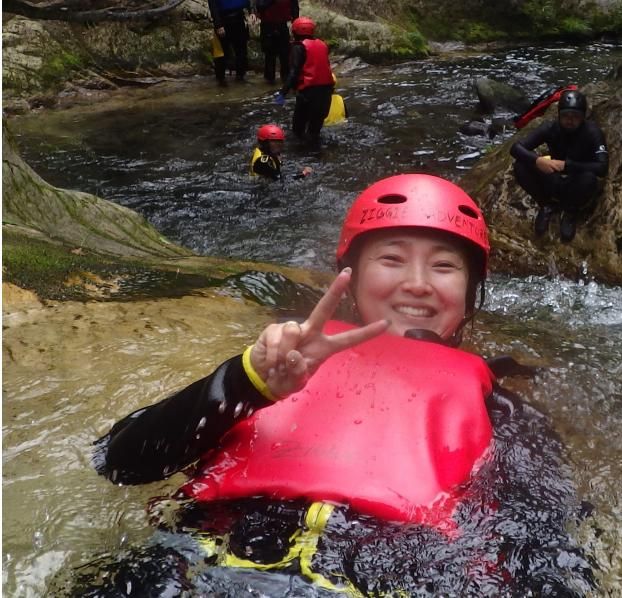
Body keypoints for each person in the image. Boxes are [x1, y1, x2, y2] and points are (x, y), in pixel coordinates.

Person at [87, 175, 594, 596]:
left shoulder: (501, 410)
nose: (417, 282)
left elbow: (543, 548)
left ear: (469, 293)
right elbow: (120, 462)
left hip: (397, 571)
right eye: (391, 259)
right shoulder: (274, 369)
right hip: (206, 558)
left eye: (443, 266)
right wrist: (247, 381)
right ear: (349, 278)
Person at [510, 89, 608, 243]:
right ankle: (547, 205)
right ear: (559, 115)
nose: (570, 120)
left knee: (589, 179)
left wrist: (568, 165)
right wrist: (538, 161)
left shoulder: (592, 132)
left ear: (583, 117)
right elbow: (516, 148)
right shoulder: (550, 128)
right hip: (553, 178)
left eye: (575, 117)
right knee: (520, 166)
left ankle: (570, 212)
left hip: (576, 180)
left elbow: (602, 167)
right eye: (566, 116)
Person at [275, 16, 334, 146]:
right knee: (314, 131)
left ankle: (302, 156)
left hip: (308, 94)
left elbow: (293, 73)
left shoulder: (298, 47)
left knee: (297, 131)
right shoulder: (322, 44)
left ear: (295, 32)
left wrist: (283, 92)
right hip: (326, 93)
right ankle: (317, 156)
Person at [208, 0, 253, 85]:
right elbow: (213, 7)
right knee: (222, 54)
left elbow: (248, 2)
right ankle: (221, 78)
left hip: (239, 19)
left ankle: (240, 76)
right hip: (223, 21)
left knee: (241, 51)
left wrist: (252, 12)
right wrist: (218, 25)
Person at [255, 0, 299, 85]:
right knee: (269, 54)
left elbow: (294, 8)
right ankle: (269, 79)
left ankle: (286, 78)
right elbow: (259, 6)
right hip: (267, 25)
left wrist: (295, 21)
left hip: (282, 25)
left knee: (285, 53)